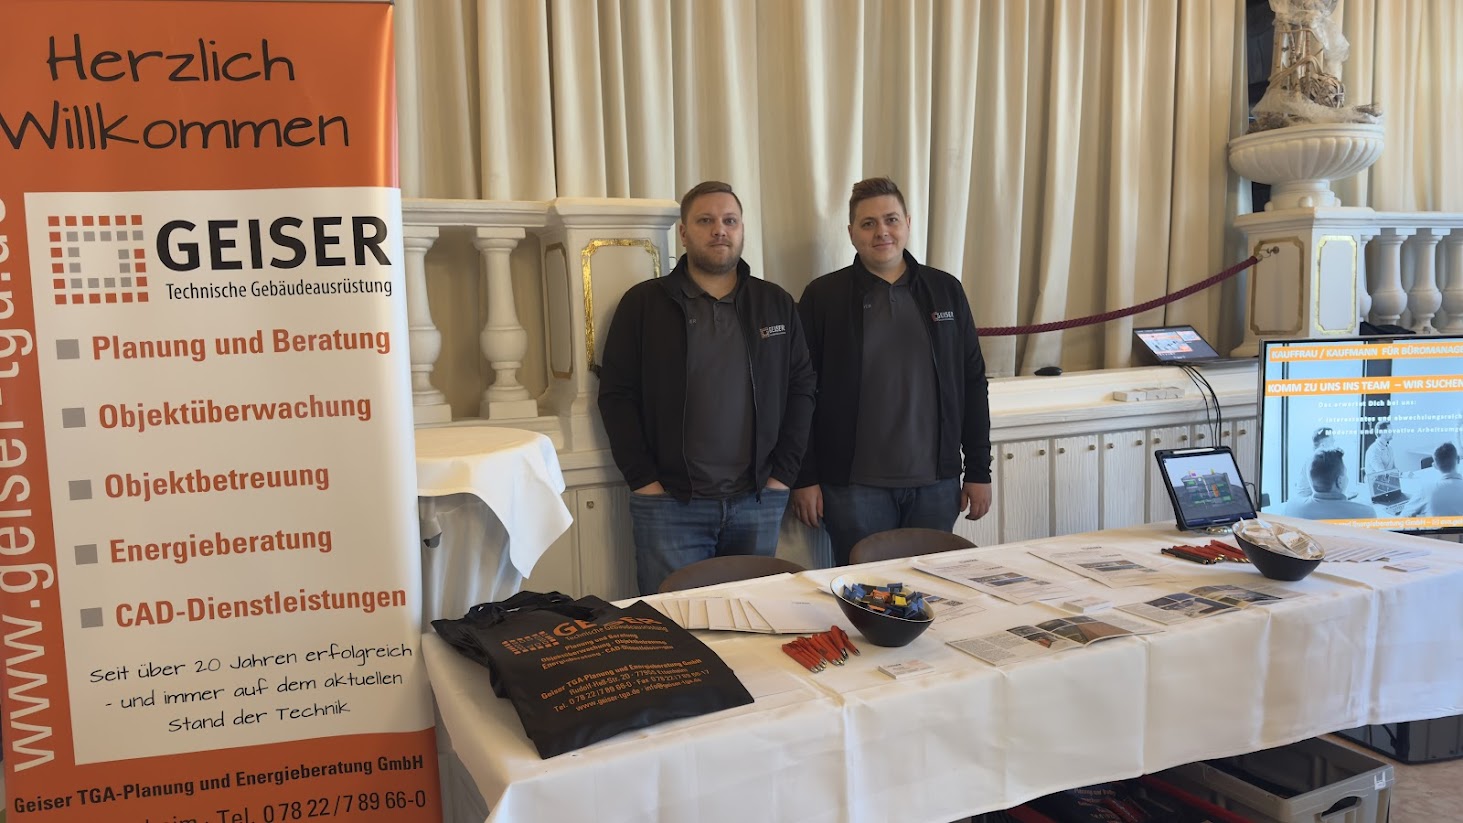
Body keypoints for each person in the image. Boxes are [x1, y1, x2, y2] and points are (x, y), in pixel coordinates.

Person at [597, 180, 815, 595]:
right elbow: (616, 396)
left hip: (757, 502)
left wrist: (782, 477)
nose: (719, 230)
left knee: (752, 619)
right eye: (705, 221)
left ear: (742, 229)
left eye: (730, 221)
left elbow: (801, 389)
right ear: (683, 232)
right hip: (669, 506)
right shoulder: (643, 305)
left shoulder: (775, 303)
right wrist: (645, 482)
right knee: (673, 624)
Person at [790, 176, 992, 566]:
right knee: (864, 592)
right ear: (851, 233)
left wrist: (979, 470)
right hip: (852, 489)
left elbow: (972, 384)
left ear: (907, 224)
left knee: (933, 587)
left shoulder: (946, 290)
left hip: (937, 484)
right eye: (868, 223)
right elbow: (800, 393)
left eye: (891, 220)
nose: (882, 231)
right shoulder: (823, 297)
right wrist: (804, 476)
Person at [1282, 448, 1376, 520]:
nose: (1347, 478)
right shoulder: (1366, 513)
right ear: (1339, 481)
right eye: (1345, 474)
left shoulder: (1291, 509)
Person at [1363, 420, 1400, 500]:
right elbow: (1382, 473)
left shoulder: (1389, 448)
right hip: (1375, 490)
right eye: (1390, 430)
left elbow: (1394, 469)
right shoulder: (1373, 451)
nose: (1392, 432)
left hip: (1388, 486)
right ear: (1382, 432)